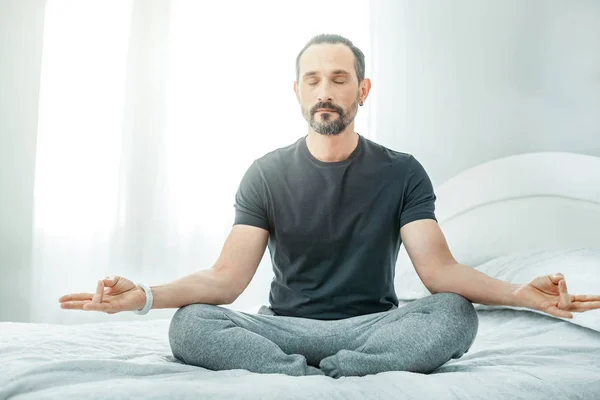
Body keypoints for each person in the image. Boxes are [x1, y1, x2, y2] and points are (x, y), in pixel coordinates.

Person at [59, 33, 600, 379]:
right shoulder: (266, 173)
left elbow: (441, 272)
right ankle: (302, 370)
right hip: (283, 328)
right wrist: (147, 296)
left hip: (374, 327)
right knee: (191, 325)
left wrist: (522, 297)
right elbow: (225, 280)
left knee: (454, 315)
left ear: (362, 91)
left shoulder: (402, 171)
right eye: (313, 79)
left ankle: (333, 369)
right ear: (296, 91)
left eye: (339, 79)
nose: (325, 90)